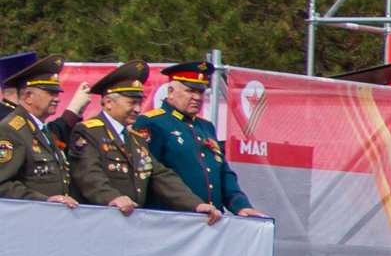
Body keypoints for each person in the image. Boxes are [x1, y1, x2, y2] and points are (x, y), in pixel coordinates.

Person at [68, 63, 220, 221]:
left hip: (130, 222)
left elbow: (160, 176)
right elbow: (88, 174)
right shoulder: (88, 131)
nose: (138, 109)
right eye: (131, 103)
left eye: (139, 103)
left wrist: (195, 205)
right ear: (108, 102)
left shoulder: (136, 139)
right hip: (97, 220)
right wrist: (112, 198)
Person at [134, 60, 261, 216]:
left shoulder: (206, 127)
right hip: (172, 218)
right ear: (171, 91)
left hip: (211, 218)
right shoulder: (152, 122)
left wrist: (240, 205)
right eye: (190, 91)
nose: (197, 97)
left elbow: (222, 172)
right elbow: (150, 174)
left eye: (200, 92)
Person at [0, 55, 80, 205]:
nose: (57, 98)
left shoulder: (41, 129)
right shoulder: (10, 130)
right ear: (28, 96)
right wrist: (44, 200)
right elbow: (3, 184)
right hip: (30, 218)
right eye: (50, 93)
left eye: (57, 93)